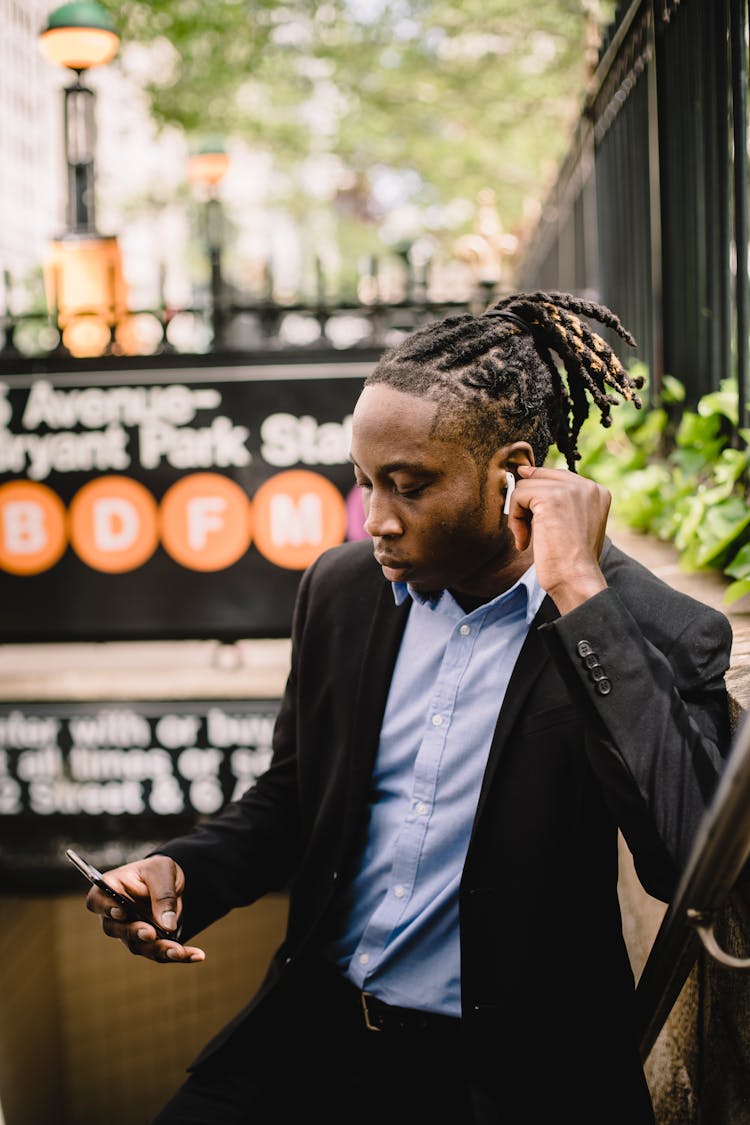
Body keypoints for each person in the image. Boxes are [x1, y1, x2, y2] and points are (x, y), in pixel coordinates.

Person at [83, 290, 733, 1125]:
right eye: (363, 482)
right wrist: (182, 871)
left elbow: (688, 865)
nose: (376, 520)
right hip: (309, 1043)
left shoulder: (641, 626)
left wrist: (578, 590)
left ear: (513, 471)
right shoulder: (341, 589)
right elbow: (290, 797)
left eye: (409, 486)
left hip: (508, 1080)